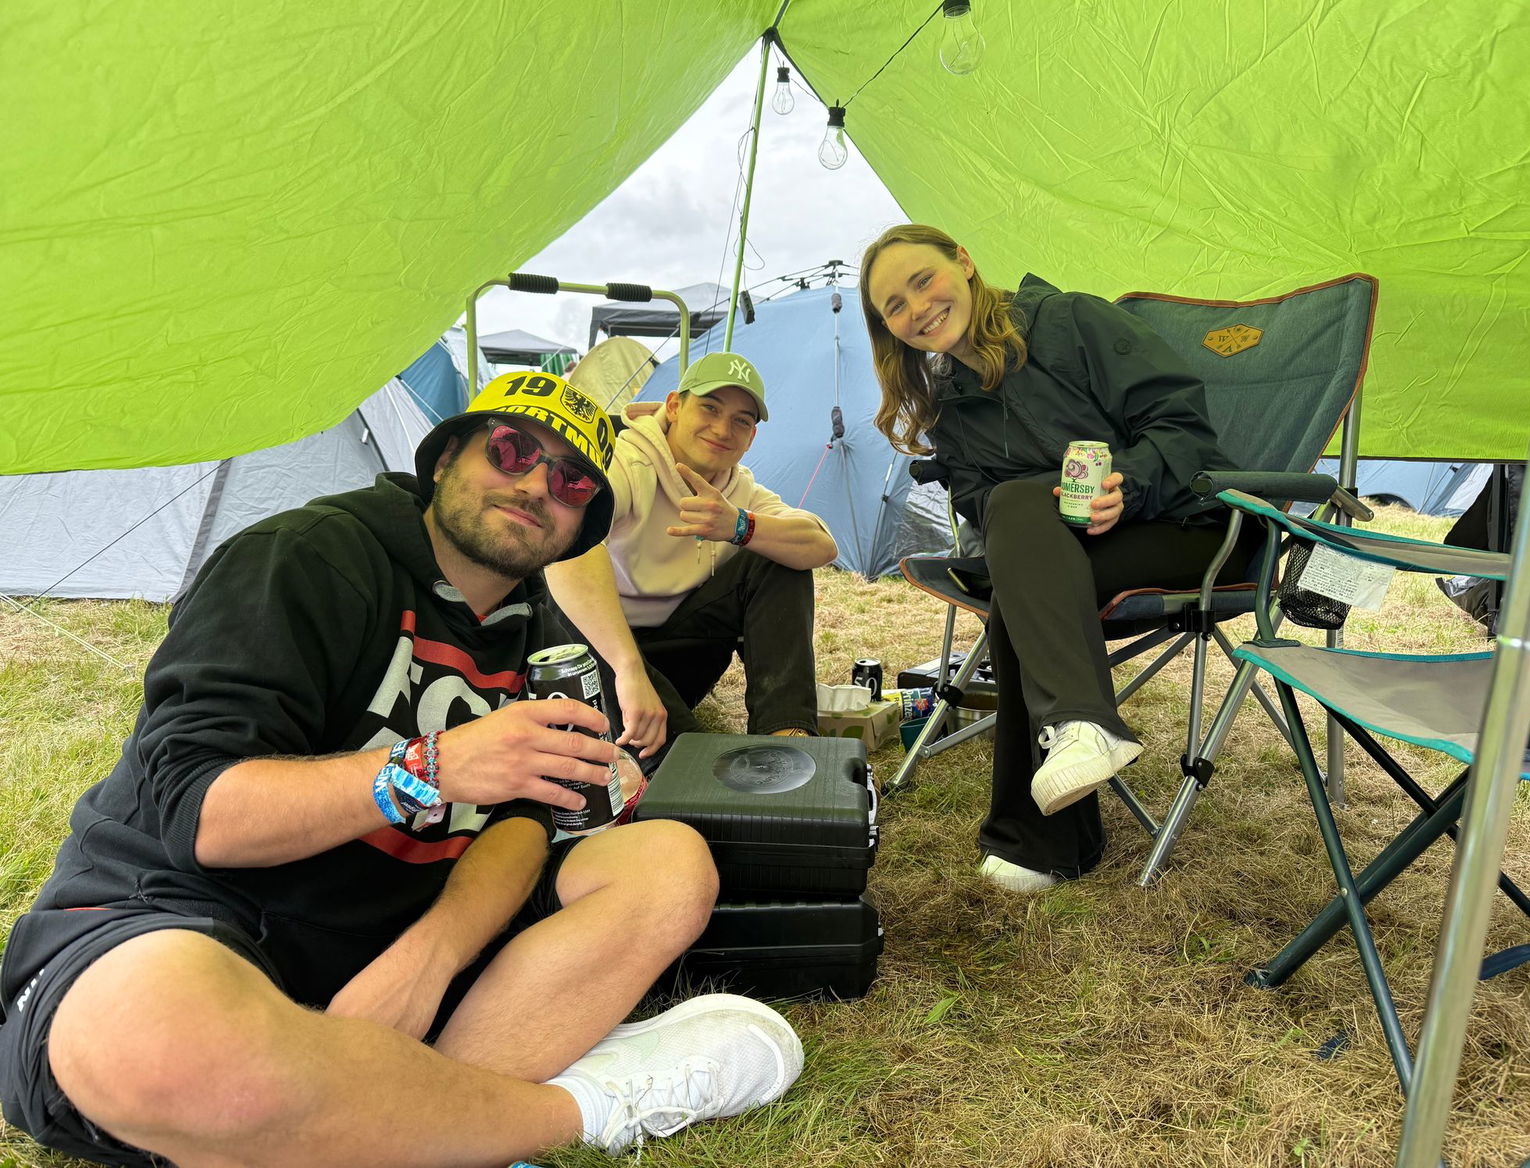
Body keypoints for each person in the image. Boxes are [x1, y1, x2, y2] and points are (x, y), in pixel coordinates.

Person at [0, 371, 803, 1167]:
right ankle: (580, 1110)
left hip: (398, 934)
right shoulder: (304, 560)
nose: (533, 487)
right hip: (195, 916)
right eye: (513, 450)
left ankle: (373, 1109)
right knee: (160, 1045)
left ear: (582, 525)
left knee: (667, 862)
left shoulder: (543, 631)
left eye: (567, 482)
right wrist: (432, 766)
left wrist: (431, 957)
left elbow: (528, 819)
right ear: (447, 455)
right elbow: (197, 814)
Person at [861, 223, 1252, 893]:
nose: (917, 308)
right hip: (1070, 548)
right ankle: (1078, 739)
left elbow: (1181, 423)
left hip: (1192, 524)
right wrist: (1040, 510)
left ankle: (1045, 831)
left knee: (1023, 568)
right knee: (1019, 546)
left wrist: (1125, 483)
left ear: (965, 260)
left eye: (923, 280)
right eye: (894, 306)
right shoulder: (951, 407)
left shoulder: (1071, 321)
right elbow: (983, 506)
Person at [545, 352, 838, 759]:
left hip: (678, 652)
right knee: (560, 597)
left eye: (741, 420)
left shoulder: (738, 490)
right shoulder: (625, 463)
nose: (722, 428)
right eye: (710, 407)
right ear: (674, 407)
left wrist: (740, 526)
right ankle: (685, 759)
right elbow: (567, 548)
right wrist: (628, 668)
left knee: (779, 556)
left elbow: (821, 545)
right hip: (609, 657)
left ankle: (786, 738)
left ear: (752, 438)